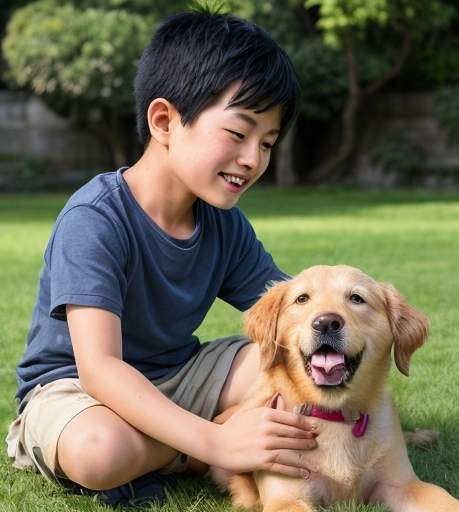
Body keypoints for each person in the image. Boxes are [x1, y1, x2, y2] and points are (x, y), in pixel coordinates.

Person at [6, 7, 320, 507]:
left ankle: (187, 445)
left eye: (268, 143)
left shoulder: (223, 221)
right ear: (164, 121)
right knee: (99, 453)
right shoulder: (95, 218)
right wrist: (215, 440)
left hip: (179, 374)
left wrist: (346, 321)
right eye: (238, 134)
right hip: (79, 393)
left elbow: (289, 313)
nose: (253, 159)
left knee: (288, 362)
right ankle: (206, 447)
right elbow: (101, 368)